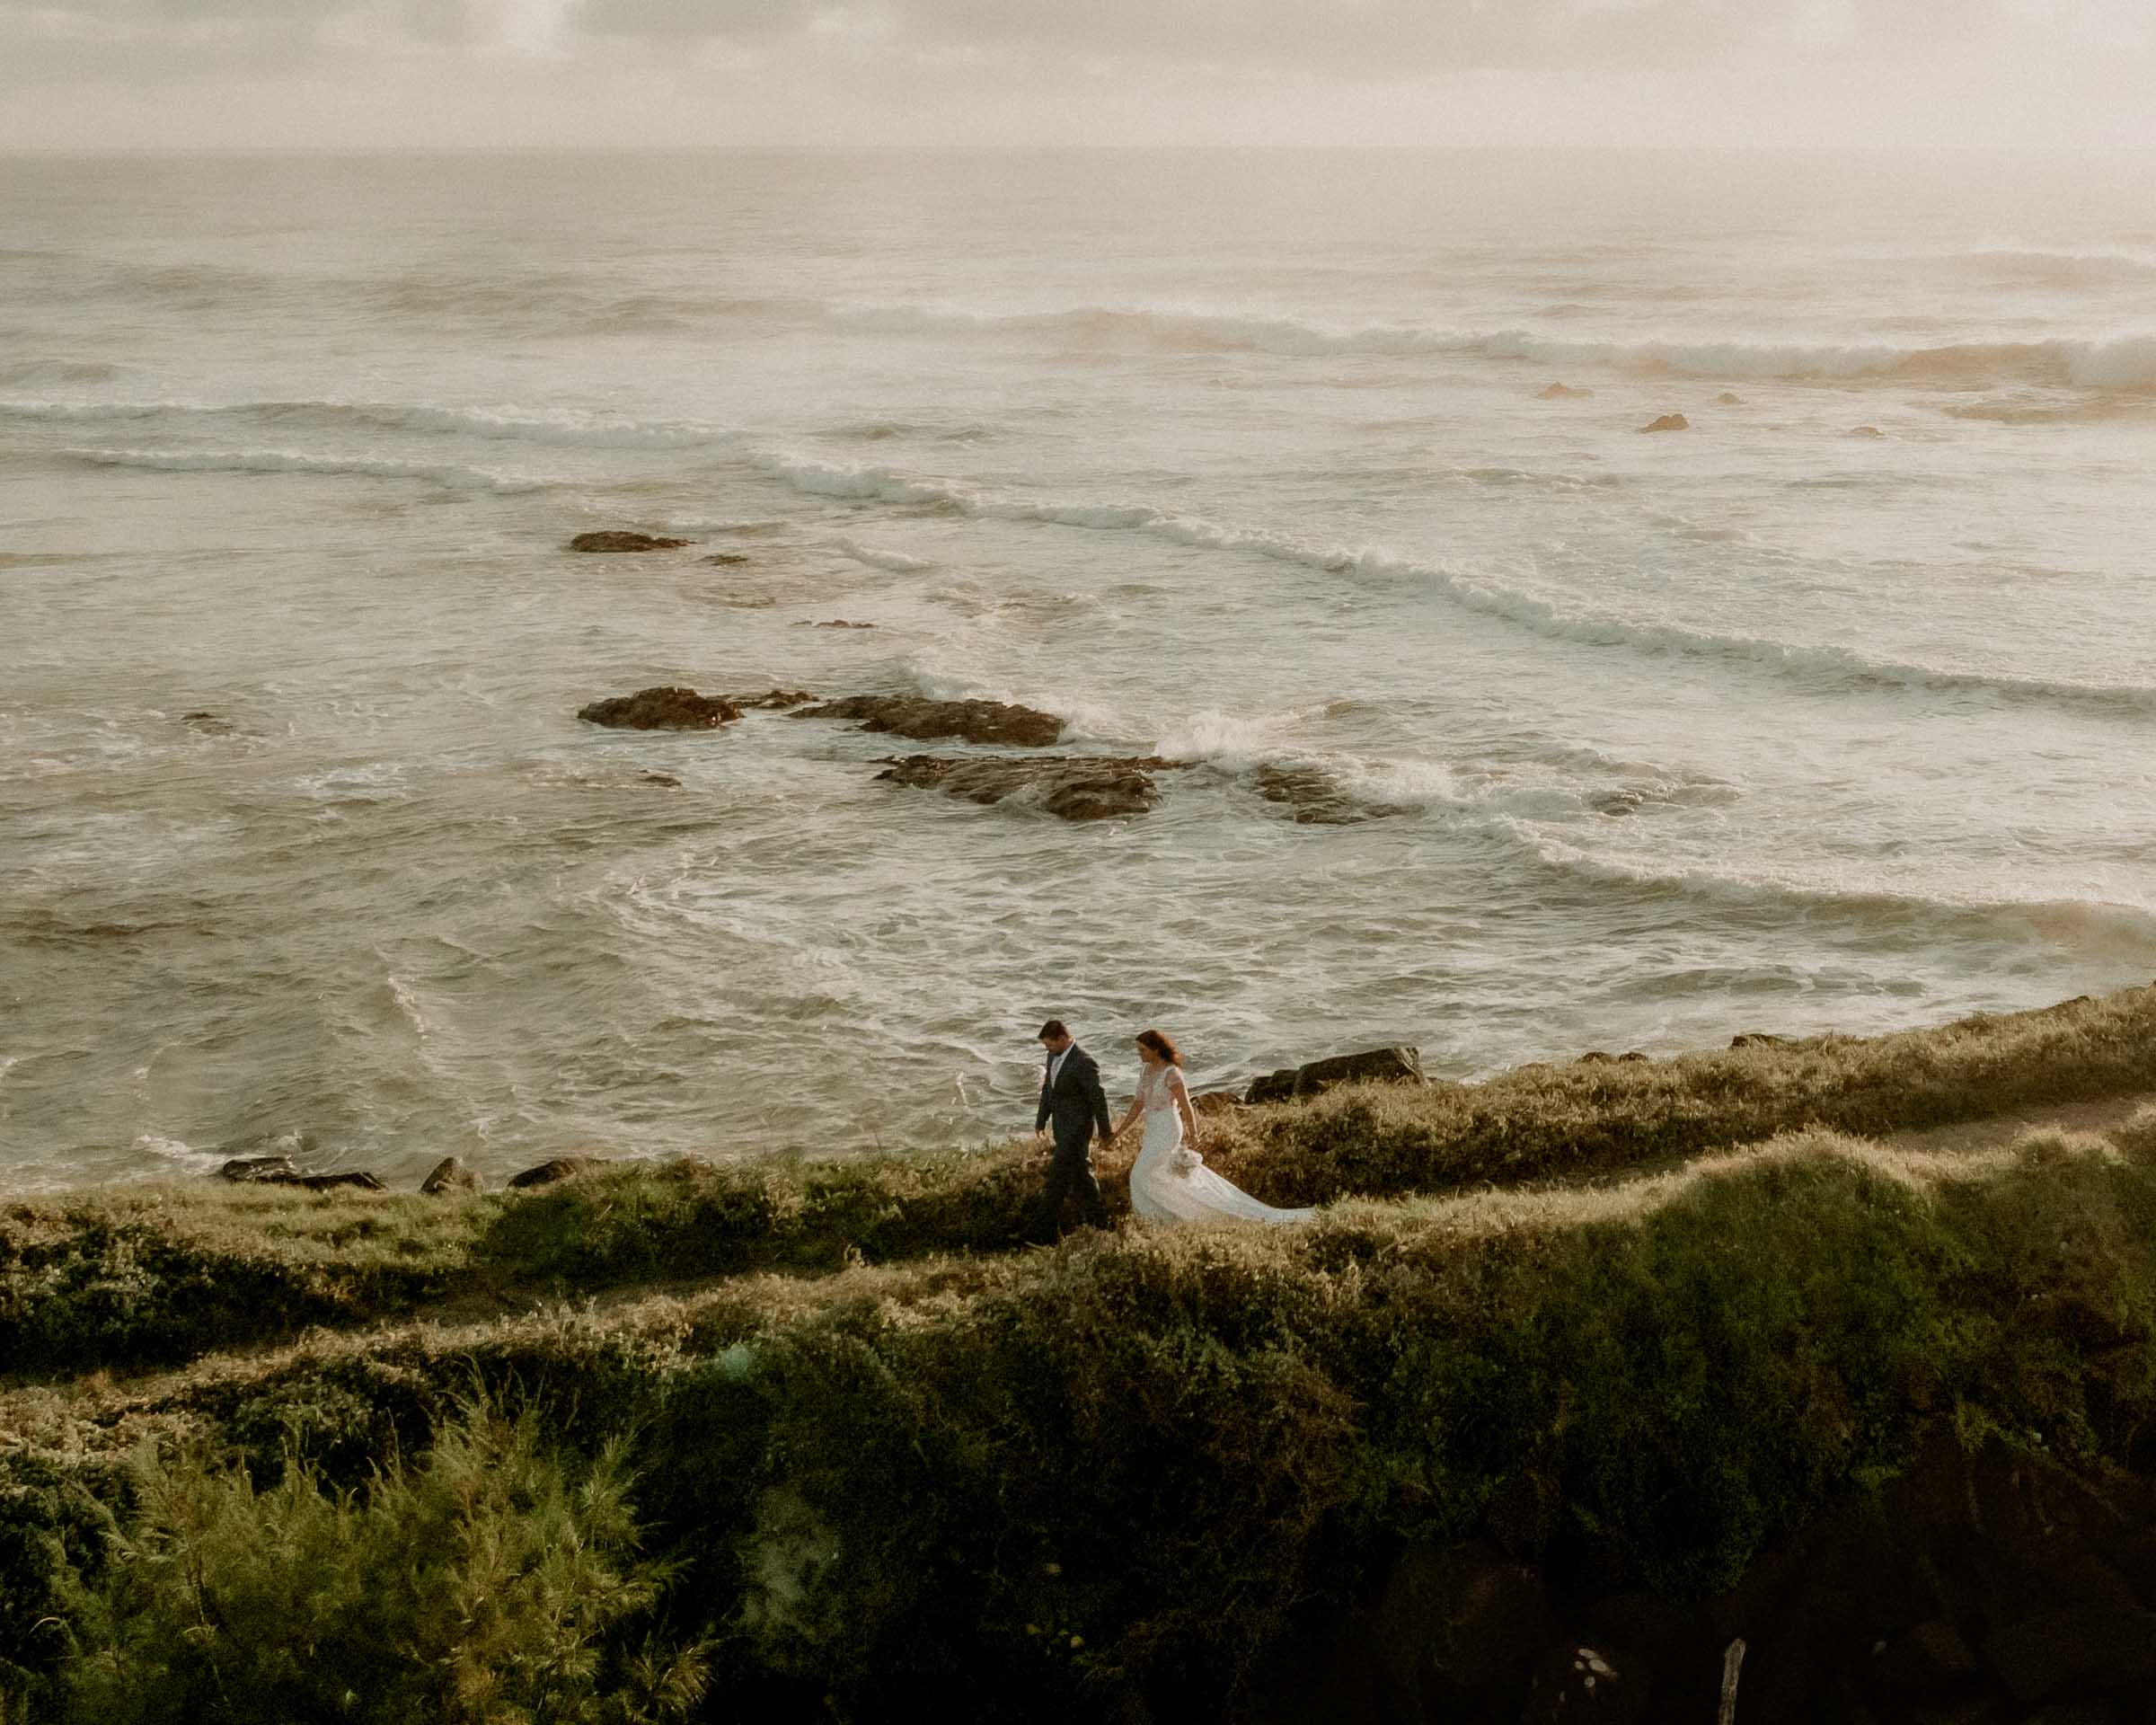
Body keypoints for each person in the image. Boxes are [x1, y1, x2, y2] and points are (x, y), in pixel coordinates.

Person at [1115, 1028, 1313, 1227]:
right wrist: (1119, 1132)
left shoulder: (1171, 1073)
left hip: (1168, 1129)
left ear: (1156, 1050)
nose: (1139, 1054)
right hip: (1152, 1130)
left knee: (1139, 1175)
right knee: (1162, 1178)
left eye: (1142, 1050)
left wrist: (1194, 1133)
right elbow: (1138, 1104)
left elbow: (1186, 1105)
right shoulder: (1146, 1071)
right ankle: (1174, 1219)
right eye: (1138, 1050)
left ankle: (1157, 1221)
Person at [1029, 1018, 1112, 1237]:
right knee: (1082, 1177)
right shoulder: (1052, 1056)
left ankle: (1040, 1232)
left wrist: (1106, 1133)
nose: (1048, 1049)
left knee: (1057, 1178)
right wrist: (1040, 1121)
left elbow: (1098, 1099)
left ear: (1063, 1038)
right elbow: (1048, 1090)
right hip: (1060, 1127)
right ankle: (1102, 1225)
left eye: (1050, 1044)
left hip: (1077, 1130)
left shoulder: (1084, 1062)